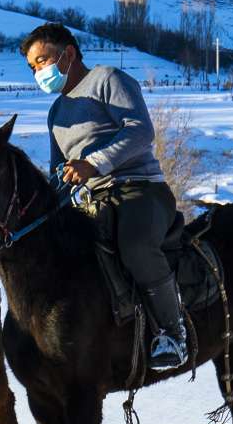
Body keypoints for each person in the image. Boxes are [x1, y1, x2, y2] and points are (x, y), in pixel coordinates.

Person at [22, 21, 187, 372]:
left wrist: (93, 164)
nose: (38, 71)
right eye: (33, 67)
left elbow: (142, 132)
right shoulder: (55, 113)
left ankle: (172, 333)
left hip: (139, 190)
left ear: (67, 53)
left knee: (135, 246)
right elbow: (59, 173)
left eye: (42, 60)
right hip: (92, 201)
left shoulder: (107, 79)